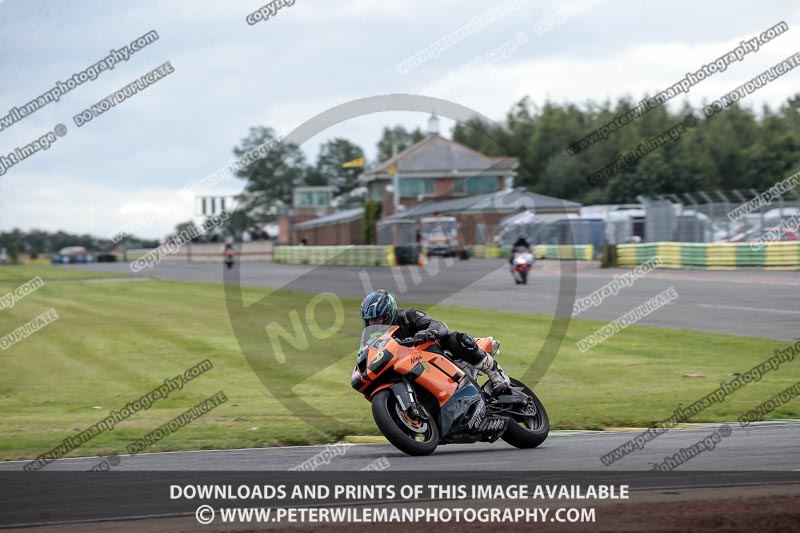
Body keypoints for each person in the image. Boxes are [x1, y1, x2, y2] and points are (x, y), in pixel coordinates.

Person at [359, 289, 510, 393]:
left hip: (434, 353)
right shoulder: (376, 337)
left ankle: (495, 372)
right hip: (410, 364)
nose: (374, 324)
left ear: (389, 312)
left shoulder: (409, 316)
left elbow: (439, 325)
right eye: (370, 321)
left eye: (378, 319)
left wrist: (427, 332)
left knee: (454, 338)